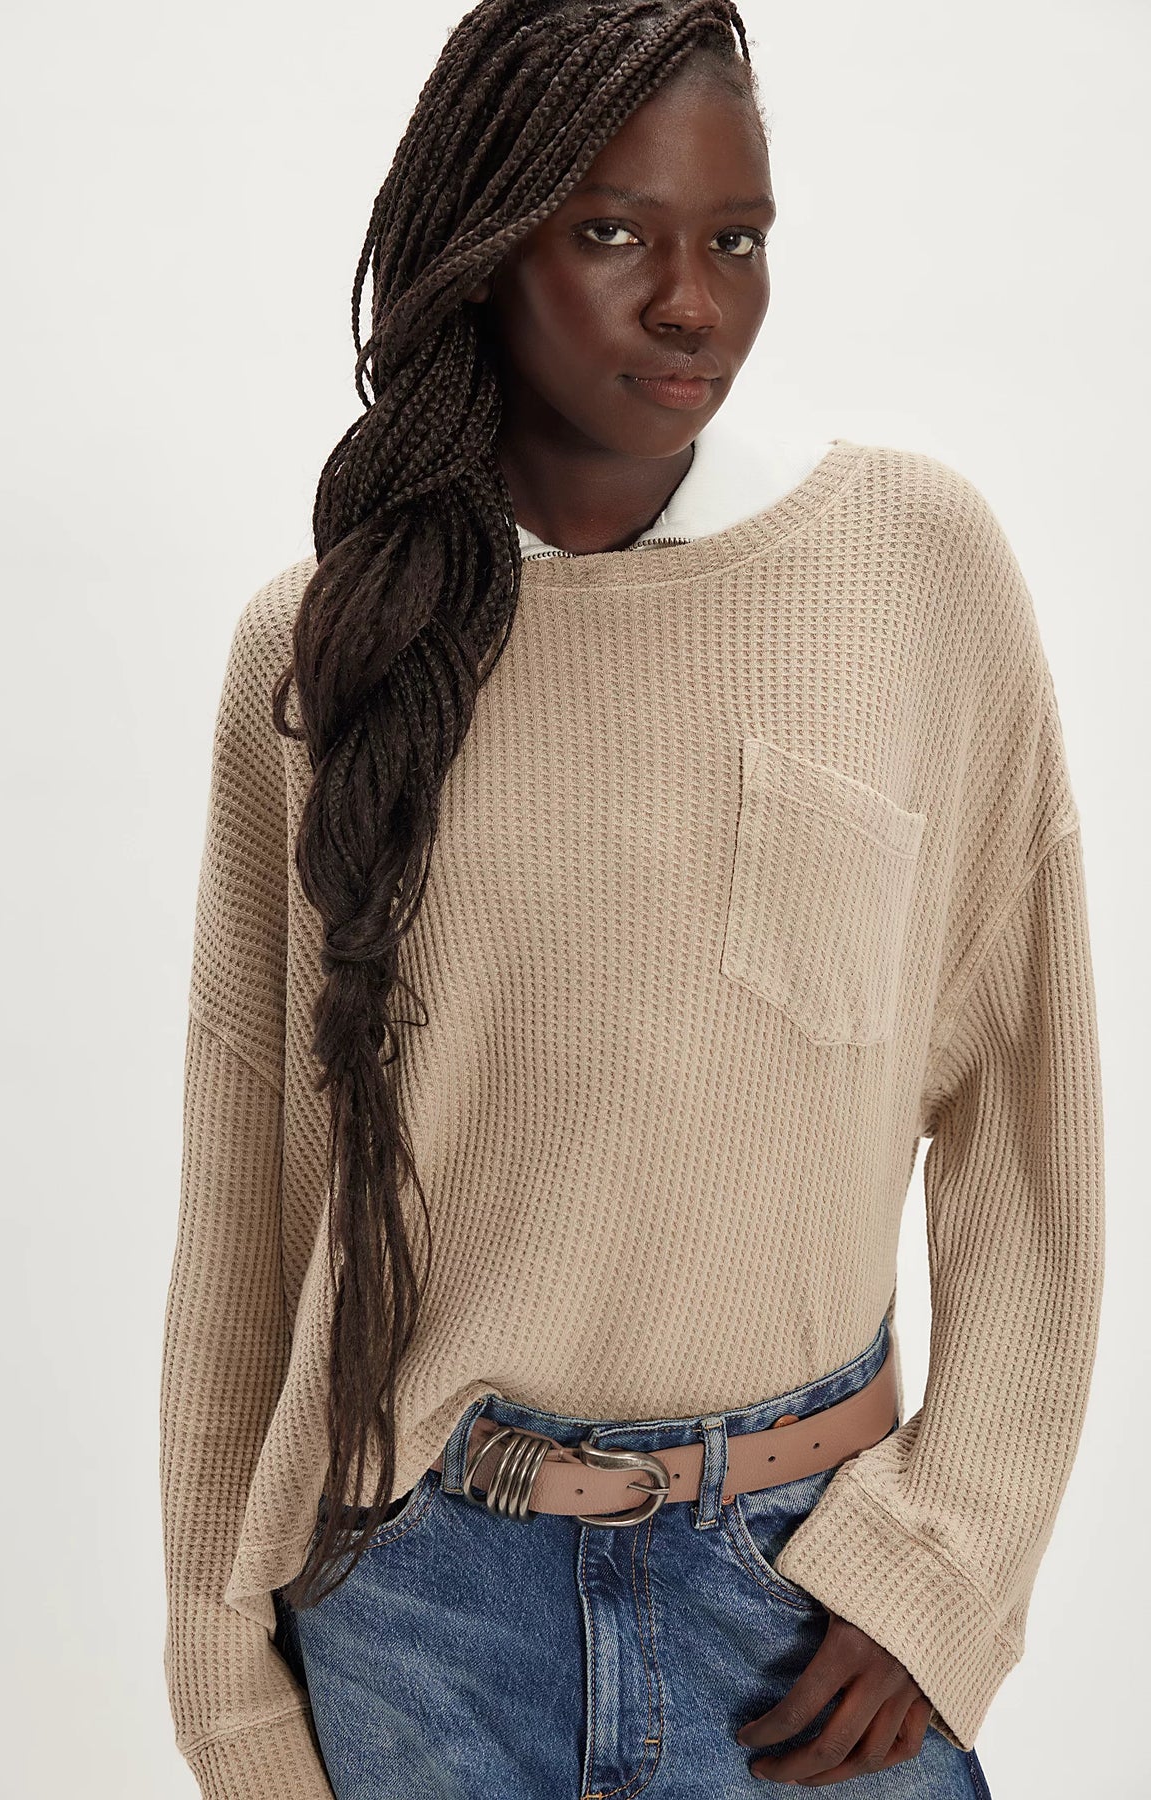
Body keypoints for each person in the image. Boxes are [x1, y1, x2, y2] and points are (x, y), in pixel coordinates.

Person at [158, 2, 1104, 1796]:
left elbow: (1026, 1112)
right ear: (484, 242)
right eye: (612, 233)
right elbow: (249, 1206)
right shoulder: (323, 655)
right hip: (416, 1627)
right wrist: (228, 1678)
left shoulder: (913, 574)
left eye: (735, 240)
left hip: (805, 1615)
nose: (690, 302)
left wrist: (944, 1566)